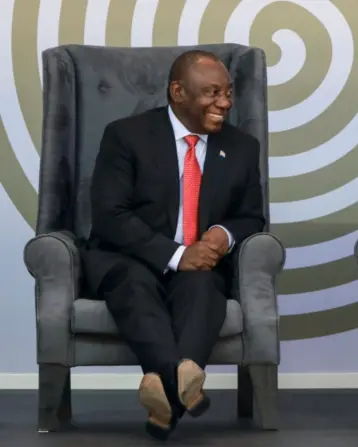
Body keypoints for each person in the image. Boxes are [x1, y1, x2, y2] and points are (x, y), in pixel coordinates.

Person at [80, 50, 265, 440]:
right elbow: (110, 215)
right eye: (212, 92)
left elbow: (251, 217)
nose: (225, 102)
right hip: (129, 257)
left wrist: (223, 234)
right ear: (178, 92)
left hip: (200, 264)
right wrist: (177, 255)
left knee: (203, 286)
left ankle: (164, 397)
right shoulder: (126, 136)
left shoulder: (243, 147)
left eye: (228, 92)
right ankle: (180, 380)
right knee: (133, 284)